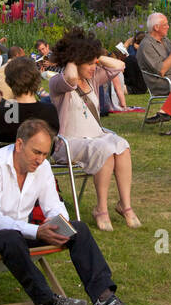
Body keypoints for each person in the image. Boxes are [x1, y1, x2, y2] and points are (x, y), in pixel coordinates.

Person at [0, 119, 141, 305]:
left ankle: (104, 299)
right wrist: (36, 231)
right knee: (10, 237)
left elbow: (53, 205)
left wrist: (60, 225)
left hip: (17, 237)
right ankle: (48, 300)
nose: (40, 159)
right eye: (36, 152)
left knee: (78, 228)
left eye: (45, 154)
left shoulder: (41, 167)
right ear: (19, 145)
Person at [47, 29, 140, 231]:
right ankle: (101, 208)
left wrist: (96, 56)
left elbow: (120, 65)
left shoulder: (93, 78)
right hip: (69, 143)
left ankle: (125, 205)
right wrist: (73, 56)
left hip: (96, 137)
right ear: (74, 61)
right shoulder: (57, 82)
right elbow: (71, 78)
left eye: (94, 62)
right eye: (88, 63)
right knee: (104, 148)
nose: (93, 67)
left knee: (121, 146)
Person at [0, 58, 60, 145]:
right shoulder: (50, 111)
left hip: (7, 158)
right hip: (40, 158)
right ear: (37, 79)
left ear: (8, 81)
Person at [138, 11, 171, 102]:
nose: (168, 27)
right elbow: (161, 71)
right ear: (156, 27)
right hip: (163, 82)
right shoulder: (146, 45)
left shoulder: (165, 40)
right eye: (165, 25)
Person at [0, 46, 28, 111]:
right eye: (23, 57)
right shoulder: (19, 69)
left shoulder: (1, 68)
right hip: (4, 103)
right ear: (17, 55)